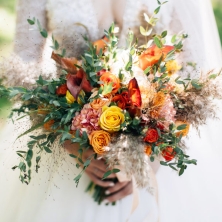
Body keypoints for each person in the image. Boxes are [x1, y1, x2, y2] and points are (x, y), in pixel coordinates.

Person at [0, 0, 221, 221]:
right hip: (67, 148)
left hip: (155, 152)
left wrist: (151, 158)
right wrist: (70, 143)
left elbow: (195, 76)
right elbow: (25, 72)